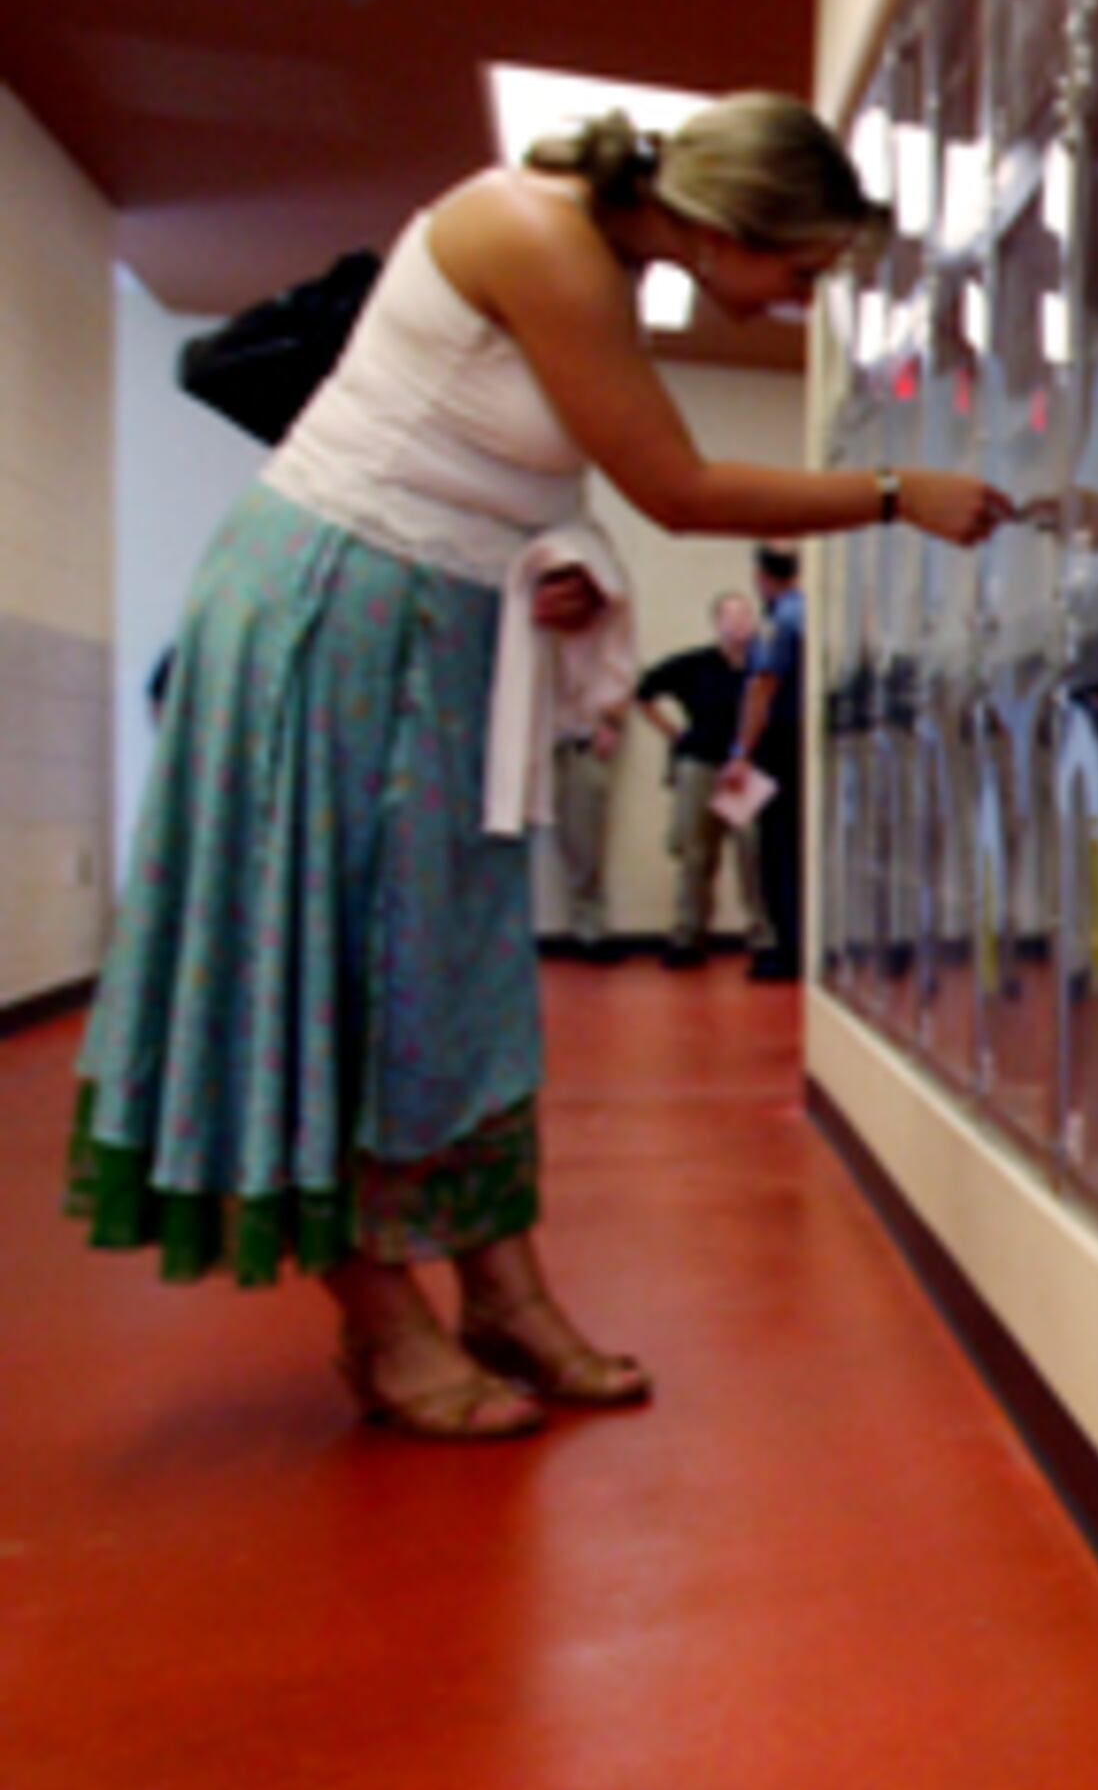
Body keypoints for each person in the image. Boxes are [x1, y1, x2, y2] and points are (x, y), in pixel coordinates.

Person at [67, 93, 1013, 1440]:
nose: (800, 302)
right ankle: (380, 1318)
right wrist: (892, 496)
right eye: (799, 271)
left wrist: (562, 570)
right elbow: (674, 485)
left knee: (447, 968)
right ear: (727, 224)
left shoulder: (606, 264)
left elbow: (525, 476)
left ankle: (504, 1287)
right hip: (334, 610)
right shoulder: (537, 232)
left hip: (441, 624)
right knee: (338, 959)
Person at [635, 591, 768, 966]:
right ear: (716, 623)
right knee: (696, 854)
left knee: (751, 854)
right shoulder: (695, 664)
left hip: (743, 770)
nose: (738, 624)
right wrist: (671, 732)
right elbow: (644, 691)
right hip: (700, 765)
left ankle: (762, 937)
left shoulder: (763, 667)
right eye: (730, 617)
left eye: (744, 617)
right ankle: (689, 935)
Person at [725, 544, 808, 981]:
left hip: (781, 742)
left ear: (761, 576)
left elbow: (762, 689)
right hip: (809, 745)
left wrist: (742, 753)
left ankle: (788, 950)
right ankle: (803, 945)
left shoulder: (778, 623)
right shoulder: (813, 613)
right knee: (803, 848)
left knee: (778, 851)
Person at [552, 700, 627, 957]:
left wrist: (612, 725)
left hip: (577, 745)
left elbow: (623, 682)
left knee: (584, 842)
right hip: (534, 744)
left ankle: (590, 930)